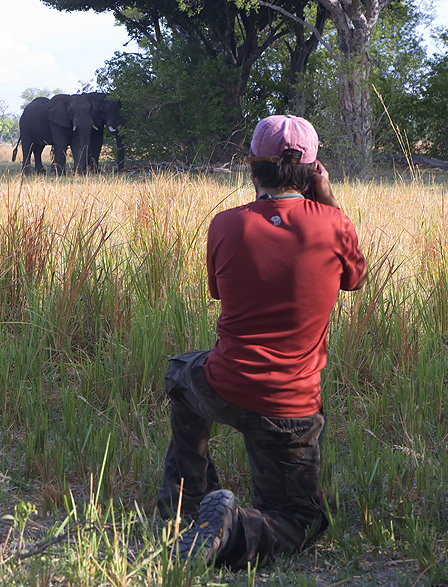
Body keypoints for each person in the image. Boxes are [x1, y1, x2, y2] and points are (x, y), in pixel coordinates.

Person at [157, 115, 368, 568]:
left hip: (223, 384)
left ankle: (189, 503)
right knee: (301, 521)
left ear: (253, 167)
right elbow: (356, 279)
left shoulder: (226, 224)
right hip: (288, 407)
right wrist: (328, 202)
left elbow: (219, 290)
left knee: (180, 373)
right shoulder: (334, 225)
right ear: (313, 171)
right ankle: (234, 527)